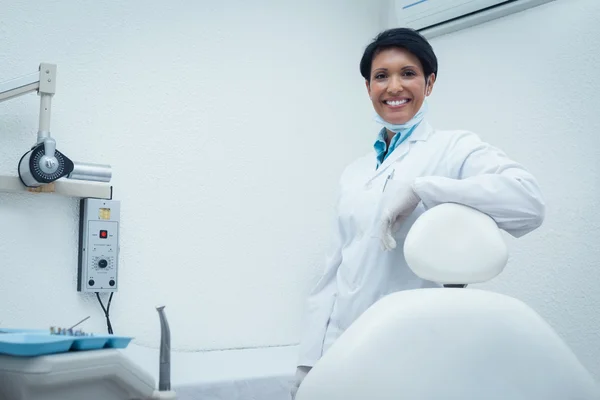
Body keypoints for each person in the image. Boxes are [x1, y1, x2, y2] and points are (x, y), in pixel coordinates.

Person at [290, 27, 546, 399]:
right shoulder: (355, 173)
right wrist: (309, 361)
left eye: (407, 73)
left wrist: (424, 188)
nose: (394, 87)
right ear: (368, 89)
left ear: (429, 83)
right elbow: (333, 272)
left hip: (411, 354)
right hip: (342, 353)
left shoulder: (453, 148)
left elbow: (528, 201)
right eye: (381, 76)